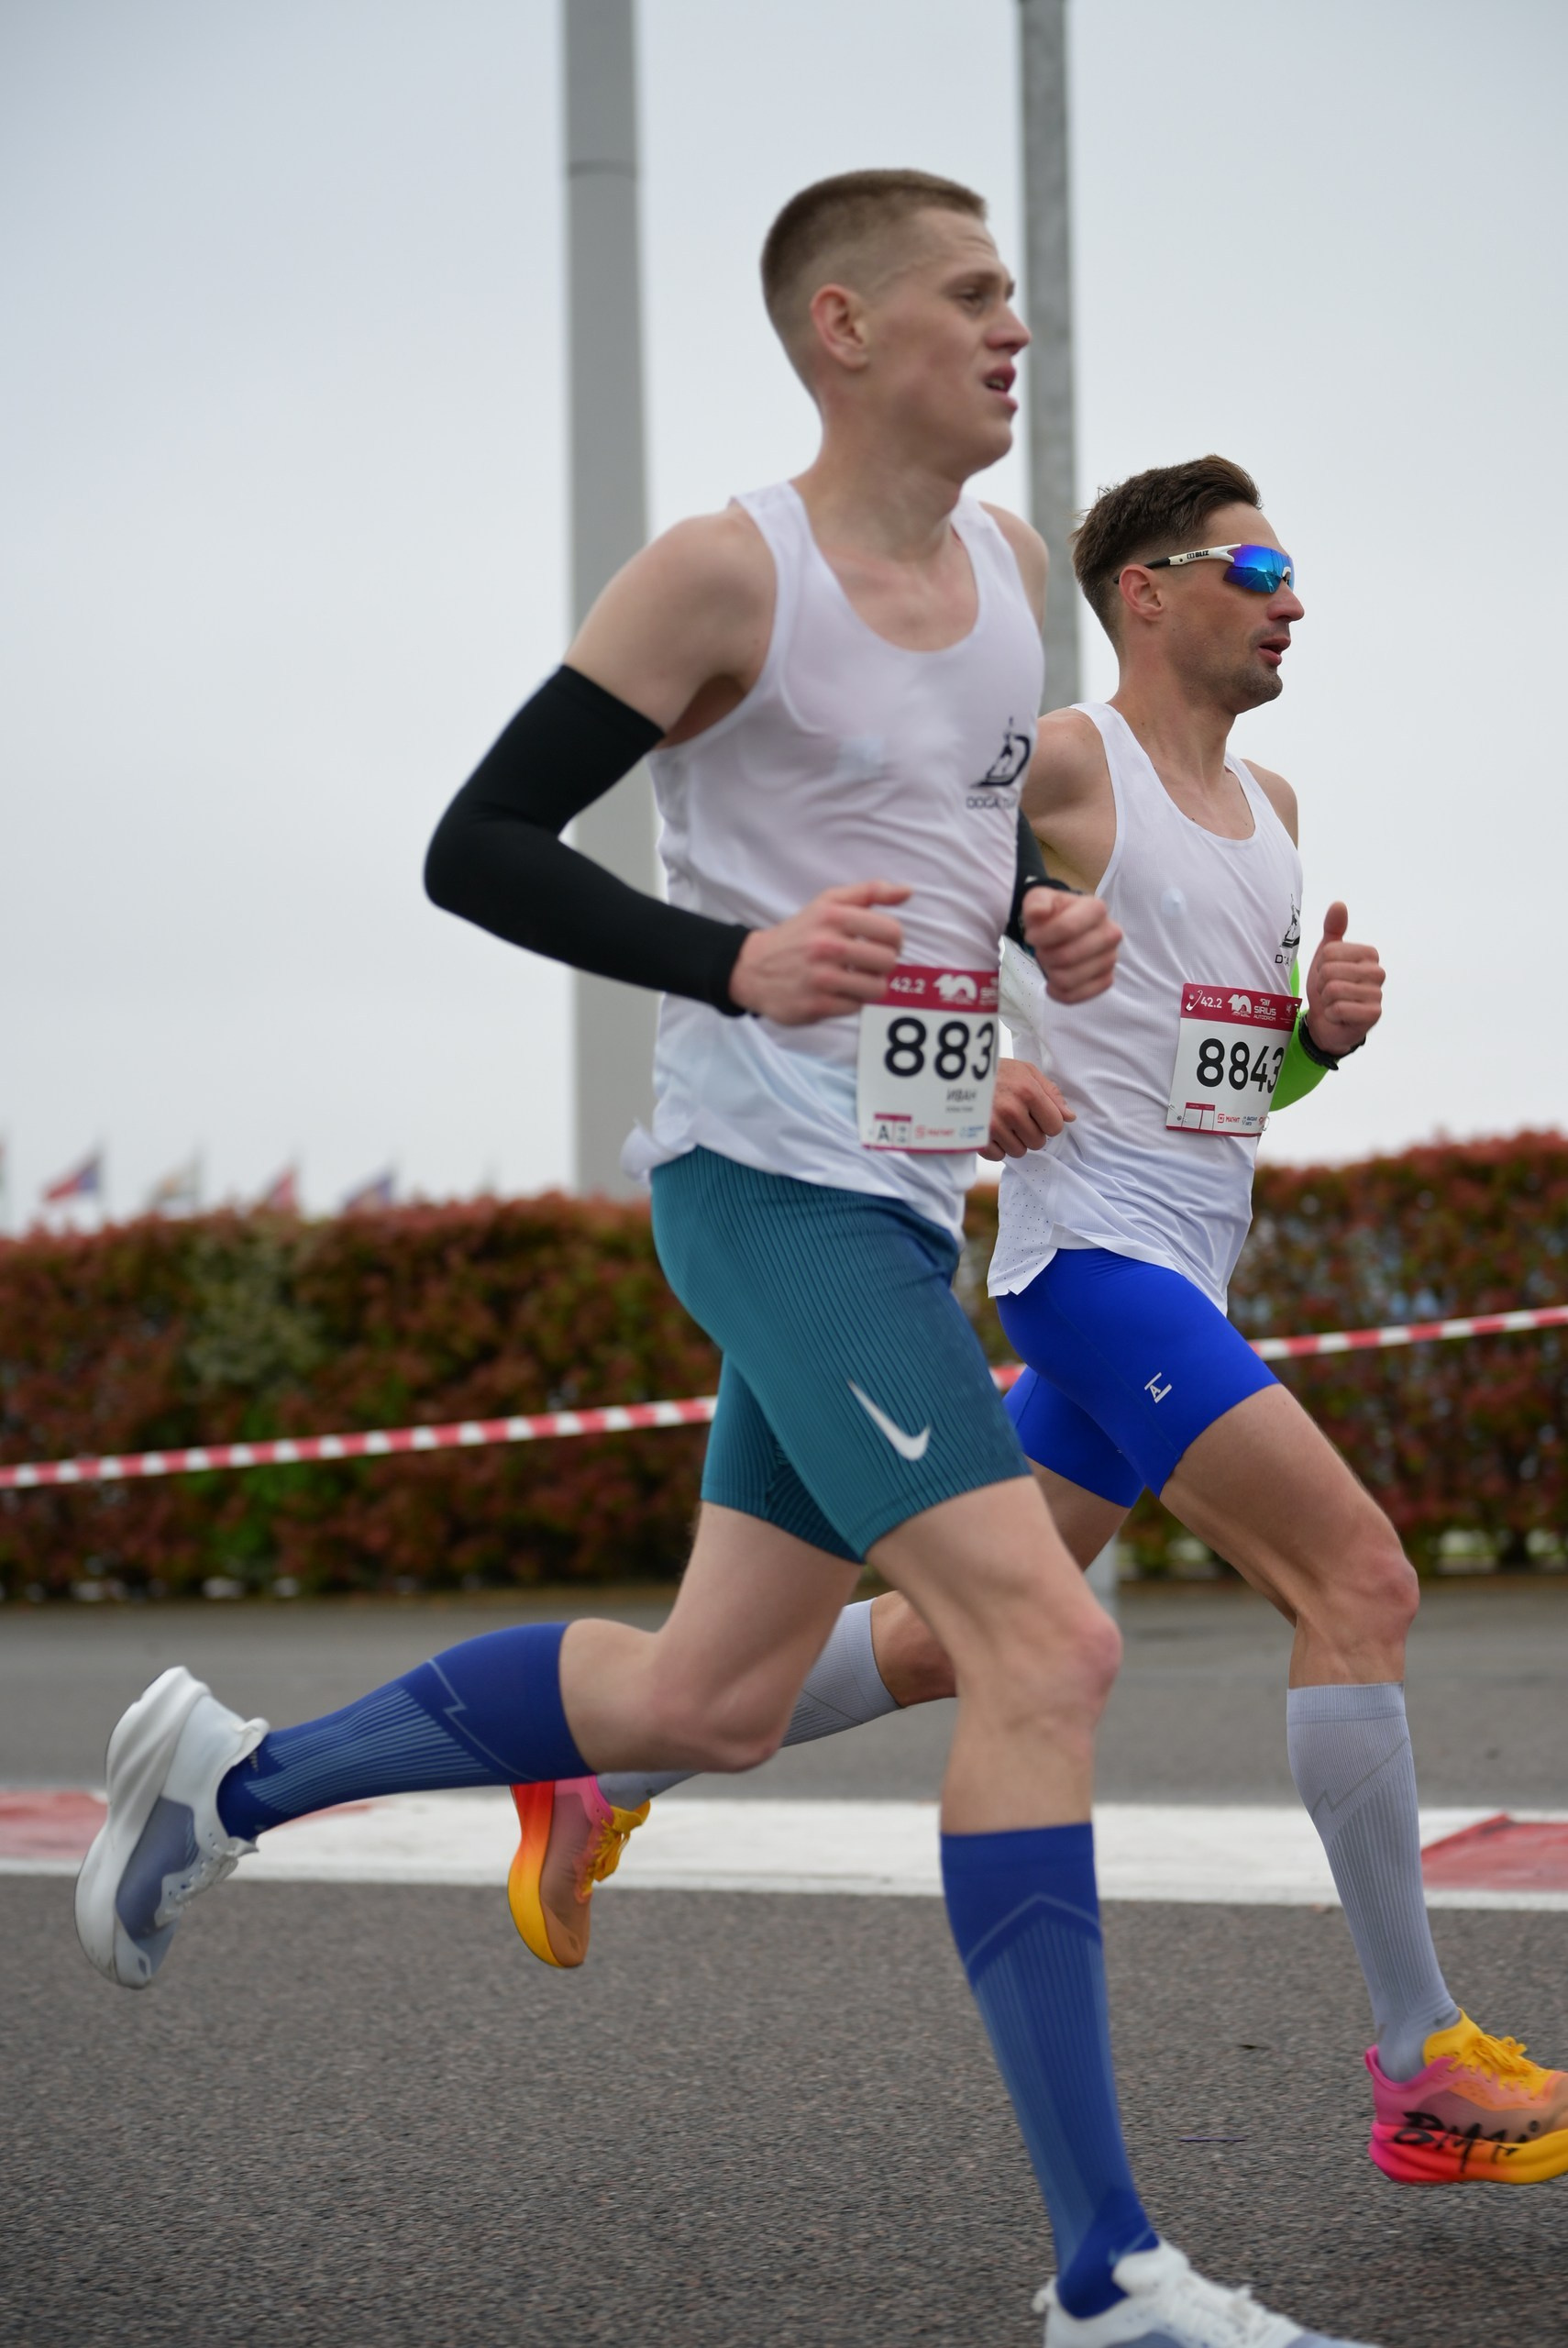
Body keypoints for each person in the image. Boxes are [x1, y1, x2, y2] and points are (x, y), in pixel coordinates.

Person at [75, 179, 1378, 2348]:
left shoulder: (1004, 578)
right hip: (764, 1187)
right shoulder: (723, 572)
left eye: (1017, 295)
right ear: (842, 328)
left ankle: (231, 1775)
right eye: (972, 294)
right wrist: (733, 959)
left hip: (896, 1194)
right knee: (1042, 1640)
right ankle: (1111, 2276)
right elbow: (475, 843)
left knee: (711, 1699)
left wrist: (1033, 940)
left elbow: (946, 852)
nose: (1013, 326)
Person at [540, 453, 1568, 2199]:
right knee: (1361, 1582)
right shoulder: (1071, 762)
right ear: (1146, 593)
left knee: (943, 1641)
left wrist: (1316, 1044)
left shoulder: (1276, 807)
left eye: (1292, 570)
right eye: (1257, 569)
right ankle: (1417, 2064)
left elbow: (1215, 1090)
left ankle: (616, 1771)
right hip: (1090, 1273)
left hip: (1177, 1272)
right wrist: (972, 1066)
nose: (1291, 600)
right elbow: (901, 885)